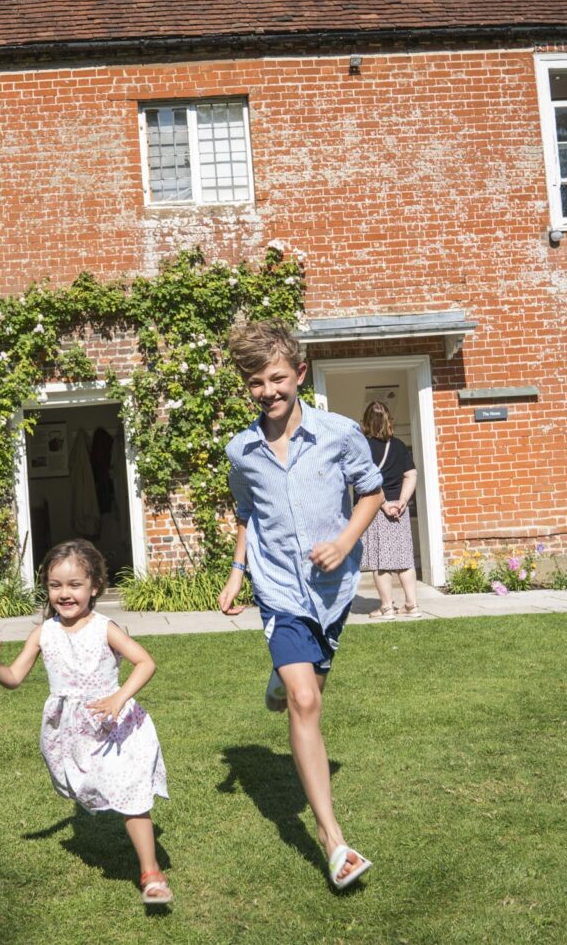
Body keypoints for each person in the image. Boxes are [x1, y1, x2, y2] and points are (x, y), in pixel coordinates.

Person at [216, 320, 384, 890]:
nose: (268, 391)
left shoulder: (340, 434)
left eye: (277, 378)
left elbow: (371, 492)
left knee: (307, 689)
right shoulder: (241, 450)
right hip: (279, 590)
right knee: (305, 700)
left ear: (300, 374)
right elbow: (247, 515)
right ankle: (334, 841)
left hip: (331, 592)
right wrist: (238, 573)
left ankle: (281, 677)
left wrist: (343, 541)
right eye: (256, 382)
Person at [0, 539, 173, 905]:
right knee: (95, 788)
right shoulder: (43, 633)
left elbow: (146, 663)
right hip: (73, 732)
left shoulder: (104, 628)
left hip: (113, 727)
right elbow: (14, 678)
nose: (64, 594)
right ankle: (146, 866)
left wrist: (118, 697)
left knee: (129, 790)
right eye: (55, 585)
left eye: (74, 585)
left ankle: (151, 874)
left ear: (94, 586)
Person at [358, 399, 422, 619]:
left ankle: (386, 607)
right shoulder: (399, 445)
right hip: (399, 510)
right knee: (404, 558)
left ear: (366, 421)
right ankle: (412, 605)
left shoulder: (363, 447)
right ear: (388, 421)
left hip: (375, 508)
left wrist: (383, 504)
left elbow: (364, 480)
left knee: (380, 561)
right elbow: (411, 474)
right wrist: (402, 501)